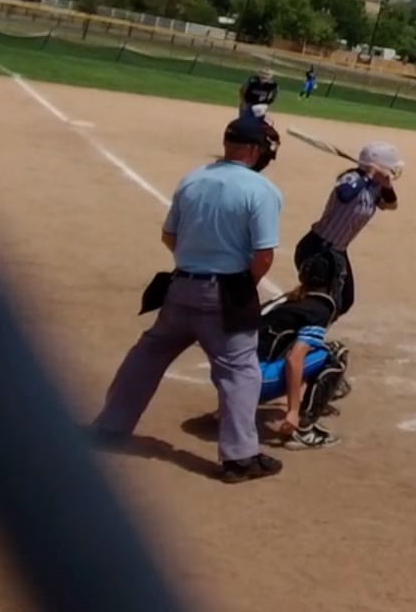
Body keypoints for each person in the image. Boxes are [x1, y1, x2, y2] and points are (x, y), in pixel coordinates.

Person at [88, 118, 286, 483]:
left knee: (148, 354)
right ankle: (240, 458)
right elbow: (263, 256)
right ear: (255, 150)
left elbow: (169, 236)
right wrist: (244, 286)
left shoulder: (193, 179)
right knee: (239, 371)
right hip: (226, 293)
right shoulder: (262, 190)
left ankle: (110, 427)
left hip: (180, 287)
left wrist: (195, 262)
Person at [294, 142, 402, 323]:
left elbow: (391, 205)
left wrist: (387, 186)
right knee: (323, 299)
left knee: (344, 300)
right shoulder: (351, 178)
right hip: (317, 248)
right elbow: (344, 194)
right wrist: (368, 175)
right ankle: (291, 324)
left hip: (337, 252)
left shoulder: (375, 188)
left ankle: (307, 328)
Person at [258, 253, 351, 449]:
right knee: (334, 355)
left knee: (299, 349)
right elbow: (294, 359)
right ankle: (303, 430)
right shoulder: (318, 309)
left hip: (228, 378)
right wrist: (292, 410)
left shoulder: (289, 299)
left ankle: (233, 405)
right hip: (253, 382)